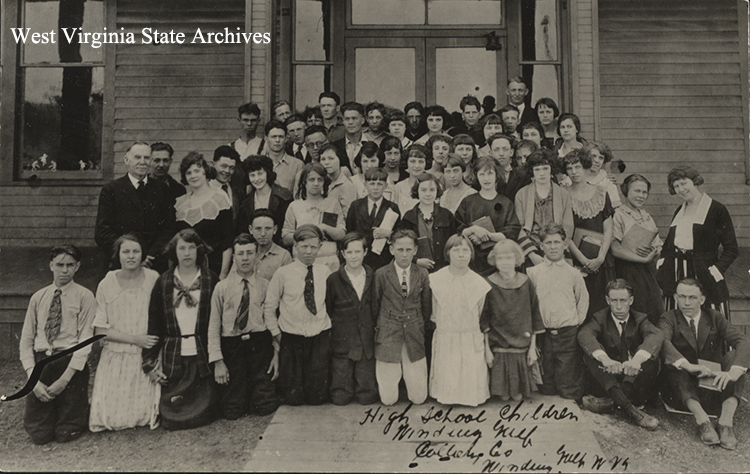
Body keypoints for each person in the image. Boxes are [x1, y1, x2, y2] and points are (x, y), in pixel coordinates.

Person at [658, 278, 749, 450]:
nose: (686, 302)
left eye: (692, 297)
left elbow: (742, 341)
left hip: (712, 386)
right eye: (682, 297)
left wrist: (733, 373)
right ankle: (703, 421)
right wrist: (688, 365)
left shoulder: (714, 317)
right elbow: (663, 342)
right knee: (675, 364)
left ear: (702, 299)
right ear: (675, 298)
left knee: (734, 357)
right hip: (682, 392)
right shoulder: (668, 318)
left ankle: (725, 423)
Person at [19, 245, 96, 445]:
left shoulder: (85, 296)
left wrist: (64, 380)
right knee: (39, 435)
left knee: (66, 432)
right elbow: (26, 340)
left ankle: (73, 415)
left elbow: (85, 340)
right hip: (42, 362)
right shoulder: (38, 297)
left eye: (70, 265)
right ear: (51, 265)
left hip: (70, 362)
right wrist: (32, 379)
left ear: (77, 266)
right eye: (60, 265)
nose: (64, 270)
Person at [142, 230, 219, 430]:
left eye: (191, 247)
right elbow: (155, 322)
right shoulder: (164, 281)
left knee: (206, 407)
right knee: (172, 411)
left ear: (199, 250)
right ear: (174, 252)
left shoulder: (211, 279)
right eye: (182, 248)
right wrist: (148, 363)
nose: (187, 253)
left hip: (202, 352)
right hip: (175, 353)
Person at [89, 234, 160, 432]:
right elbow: (100, 330)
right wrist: (135, 339)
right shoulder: (107, 283)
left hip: (146, 354)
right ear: (117, 255)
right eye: (126, 251)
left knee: (144, 415)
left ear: (142, 255)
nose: (131, 256)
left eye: (136, 251)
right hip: (116, 355)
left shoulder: (153, 279)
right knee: (112, 418)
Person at [208, 234, 279, 420]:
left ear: (256, 256)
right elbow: (214, 325)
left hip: (259, 343)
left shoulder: (265, 285)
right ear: (234, 257)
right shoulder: (221, 288)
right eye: (240, 254)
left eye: (249, 253)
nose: (245, 258)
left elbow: (272, 321)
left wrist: (276, 353)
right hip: (232, 345)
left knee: (265, 406)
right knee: (232, 410)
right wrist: (217, 361)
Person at [578, 279, 662, 430]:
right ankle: (631, 411)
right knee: (592, 356)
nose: (618, 306)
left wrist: (636, 360)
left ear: (631, 300)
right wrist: (605, 359)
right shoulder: (600, 318)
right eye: (614, 300)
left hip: (634, 379)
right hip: (609, 377)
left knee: (650, 356)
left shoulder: (640, 318)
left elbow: (655, 336)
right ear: (607, 300)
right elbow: (585, 334)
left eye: (623, 300)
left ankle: (609, 403)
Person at [657, 166, 738, 319]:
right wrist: (661, 264)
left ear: (694, 181)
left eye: (683, 183)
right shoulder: (679, 211)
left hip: (704, 272)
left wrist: (715, 271)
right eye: (676, 186)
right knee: (677, 319)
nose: (681, 189)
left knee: (711, 318)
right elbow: (669, 244)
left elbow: (732, 248)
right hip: (676, 272)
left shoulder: (716, 209)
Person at [264, 224, 333, 405]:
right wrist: (276, 333)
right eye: (304, 247)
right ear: (295, 247)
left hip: (318, 336)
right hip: (291, 338)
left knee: (317, 397)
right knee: (293, 398)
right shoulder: (283, 273)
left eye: (313, 247)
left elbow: (330, 303)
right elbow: (269, 307)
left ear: (319, 247)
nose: (308, 252)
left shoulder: (325, 272)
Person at [428, 234, 491, 406]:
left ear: (471, 254)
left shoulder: (479, 283)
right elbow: (433, 312)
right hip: (446, 335)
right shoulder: (435, 280)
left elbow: (480, 314)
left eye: (465, 250)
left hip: (469, 336)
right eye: (456, 250)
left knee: (470, 370)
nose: (461, 254)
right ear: (448, 253)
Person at [527, 223, 589, 400]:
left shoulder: (573, 274)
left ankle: (569, 390)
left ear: (565, 244)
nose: (553, 247)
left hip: (567, 331)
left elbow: (582, 300)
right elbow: (530, 302)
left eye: (556, 242)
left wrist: (576, 322)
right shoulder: (534, 273)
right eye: (548, 243)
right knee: (547, 383)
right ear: (541, 246)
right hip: (543, 331)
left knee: (568, 382)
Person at [373, 229, 433, 405]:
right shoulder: (382, 274)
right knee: (388, 400)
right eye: (400, 250)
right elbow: (375, 305)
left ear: (415, 250)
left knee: (419, 398)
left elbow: (426, 305)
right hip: (389, 332)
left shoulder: (422, 273)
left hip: (414, 330)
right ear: (391, 249)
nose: (404, 255)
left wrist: (421, 327)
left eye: (408, 250)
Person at [95, 141, 175, 272]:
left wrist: (150, 255)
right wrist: (129, 255)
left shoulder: (162, 189)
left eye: (147, 158)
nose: (142, 162)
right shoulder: (111, 190)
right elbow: (102, 232)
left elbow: (169, 227)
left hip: (153, 263)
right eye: (137, 157)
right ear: (126, 160)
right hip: (121, 263)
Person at [481, 240, 544, 401]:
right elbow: (485, 319)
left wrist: (532, 348)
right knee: (503, 397)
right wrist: (487, 350)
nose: (505, 262)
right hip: (499, 347)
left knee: (517, 397)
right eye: (500, 258)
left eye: (509, 258)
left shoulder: (526, 282)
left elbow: (535, 314)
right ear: (494, 260)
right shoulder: (489, 283)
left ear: (516, 259)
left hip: (521, 346)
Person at [325, 232, 378, 405]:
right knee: (340, 397)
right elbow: (329, 308)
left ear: (365, 252)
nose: (353, 256)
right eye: (349, 252)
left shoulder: (373, 277)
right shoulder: (333, 280)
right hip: (343, 341)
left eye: (357, 252)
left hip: (366, 342)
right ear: (342, 254)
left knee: (367, 396)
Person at [565, 149, 615, 319]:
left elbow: (608, 228)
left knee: (603, 308)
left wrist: (600, 258)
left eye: (577, 167)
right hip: (576, 260)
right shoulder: (564, 195)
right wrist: (584, 260)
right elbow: (565, 233)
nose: (574, 172)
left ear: (585, 167)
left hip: (601, 260)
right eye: (569, 168)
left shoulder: (601, 193)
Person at [610, 174, 664, 324]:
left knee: (654, 313)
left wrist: (656, 251)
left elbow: (657, 243)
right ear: (626, 191)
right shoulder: (618, 214)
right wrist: (642, 258)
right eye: (637, 191)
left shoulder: (646, 216)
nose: (641, 196)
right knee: (634, 314)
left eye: (644, 192)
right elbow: (614, 248)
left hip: (649, 272)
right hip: (628, 271)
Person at [456, 156, 522, 277]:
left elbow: (511, 232)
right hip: (471, 261)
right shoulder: (468, 202)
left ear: (497, 175)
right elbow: (458, 230)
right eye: (482, 174)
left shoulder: (506, 203)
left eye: (490, 174)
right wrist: (474, 230)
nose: (486, 179)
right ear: (476, 176)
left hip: (498, 262)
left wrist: (487, 236)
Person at [174, 152, 233, 278]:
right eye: (188, 173)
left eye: (197, 171)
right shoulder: (180, 203)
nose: (193, 176)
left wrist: (223, 275)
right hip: (186, 270)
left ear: (205, 172)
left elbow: (227, 243)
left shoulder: (220, 200)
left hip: (214, 269)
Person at [514, 150, 574, 266]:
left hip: (558, 249)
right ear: (532, 171)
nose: (542, 173)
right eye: (537, 169)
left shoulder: (563, 194)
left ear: (551, 169)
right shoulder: (521, 194)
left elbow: (568, 227)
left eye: (545, 168)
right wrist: (532, 255)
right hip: (531, 251)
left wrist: (556, 251)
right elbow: (519, 228)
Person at [283, 162, 346, 272]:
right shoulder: (295, 206)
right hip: (302, 261)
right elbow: (286, 237)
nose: (316, 183)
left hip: (329, 261)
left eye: (320, 179)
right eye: (312, 179)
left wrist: (325, 228)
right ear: (304, 182)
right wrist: (307, 234)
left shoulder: (332, 203)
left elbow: (341, 233)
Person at [399, 173, 457, 273]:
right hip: (417, 270)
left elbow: (454, 243)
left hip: (443, 269)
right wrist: (416, 261)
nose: (428, 194)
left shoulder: (447, 215)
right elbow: (401, 245)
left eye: (432, 190)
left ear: (437, 191)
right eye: (423, 190)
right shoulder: (409, 217)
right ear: (417, 191)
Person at [346, 167, 401, 271]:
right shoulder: (356, 206)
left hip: (383, 260)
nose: (375, 188)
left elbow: (399, 234)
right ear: (365, 184)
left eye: (380, 184)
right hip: (360, 258)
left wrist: (388, 234)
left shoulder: (392, 207)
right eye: (372, 183)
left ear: (386, 186)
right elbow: (349, 232)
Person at [236, 154, 293, 244]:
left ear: (268, 173)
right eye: (252, 175)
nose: (257, 179)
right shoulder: (245, 202)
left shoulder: (283, 196)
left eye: (260, 173)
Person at [249, 209, 293, 281]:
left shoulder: (283, 256)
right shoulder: (244, 252)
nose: (263, 234)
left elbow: (288, 285)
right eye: (258, 229)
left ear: (275, 229)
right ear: (251, 229)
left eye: (268, 229)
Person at [263, 120, 305, 194]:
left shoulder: (298, 165)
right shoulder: (259, 163)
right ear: (266, 139)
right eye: (274, 137)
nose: (277, 140)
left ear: (286, 139)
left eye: (281, 137)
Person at [210, 145, 246, 227]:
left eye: (232, 168)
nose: (227, 171)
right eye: (224, 166)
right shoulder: (203, 191)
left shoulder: (238, 192)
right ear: (213, 164)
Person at [488, 133, 530, 202]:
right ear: (491, 153)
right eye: (496, 149)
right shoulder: (484, 176)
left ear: (511, 152)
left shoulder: (523, 177)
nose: (501, 153)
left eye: (505, 149)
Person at [319, 144, 357, 218]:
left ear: (340, 159)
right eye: (323, 159)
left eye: (331, 158)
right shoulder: (319, 183)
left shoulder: (347, 186)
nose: (326, 163)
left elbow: (347, 216)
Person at [393, 144, 430, 215]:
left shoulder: (432, 185)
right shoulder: (399, 187)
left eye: (421, 162)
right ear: (407, 162)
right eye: (413, 161)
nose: (416, 166)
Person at [583, 141, 621, 208]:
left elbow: (616, 206)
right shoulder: (577, 176)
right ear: (586, 157)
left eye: (601, 158)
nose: (597, 160)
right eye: (593, 156)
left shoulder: (607, 181)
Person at [333, 102, 367, 171]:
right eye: (347, 119)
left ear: (362, 120)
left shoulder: (371, 144)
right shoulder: (335, 147)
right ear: (343, 121)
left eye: (354, 118)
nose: (350, 122)